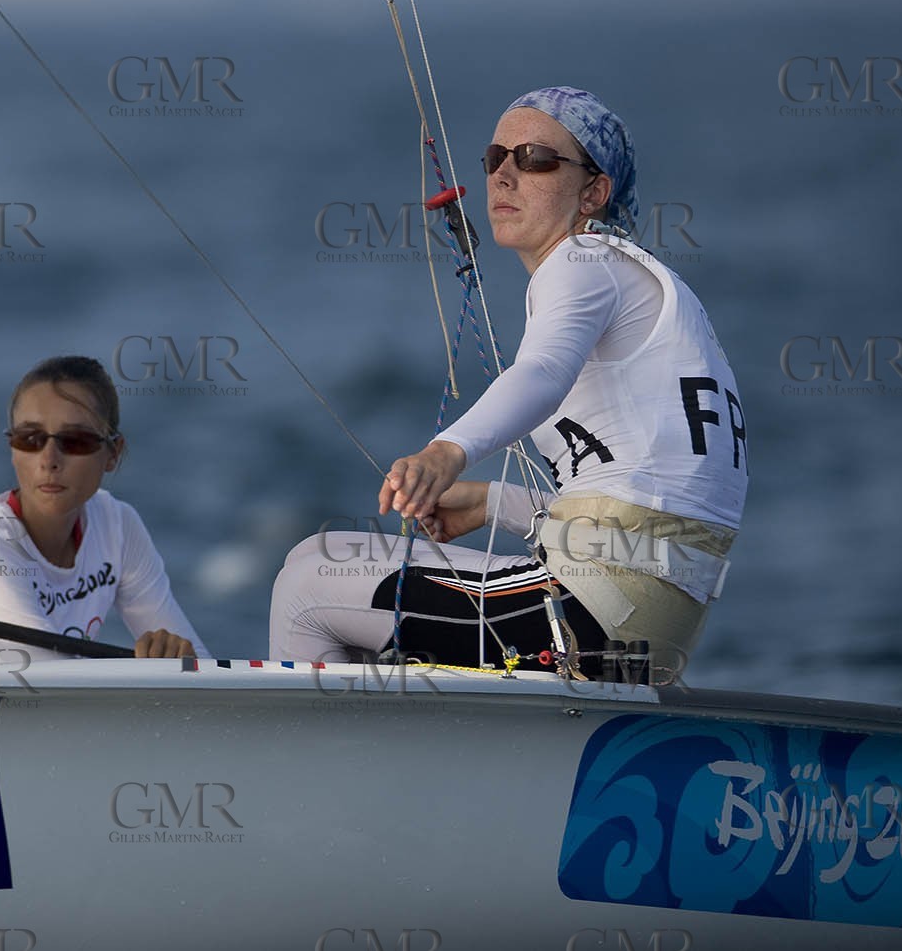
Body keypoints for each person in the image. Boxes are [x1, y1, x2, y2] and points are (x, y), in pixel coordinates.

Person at [270, 87, 746, 677]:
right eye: (495, 158)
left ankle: (329, 738)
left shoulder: (583, 259)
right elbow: (656, 517)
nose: (504, 175)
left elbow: (542, 372)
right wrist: (492, 502)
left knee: (309, 586)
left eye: (535, 159)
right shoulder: (644, 287)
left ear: (593, 193)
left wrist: (447, 453)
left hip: (603, 610)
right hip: (644, 615)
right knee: (317, 555)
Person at [0, 355, 208, 661]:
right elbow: (53, 680)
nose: (49, 460)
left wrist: (178, 657)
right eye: (30, 439)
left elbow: (200, 667)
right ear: (12, 448)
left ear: (113, 453)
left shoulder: (117, 524)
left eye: (75, 441)